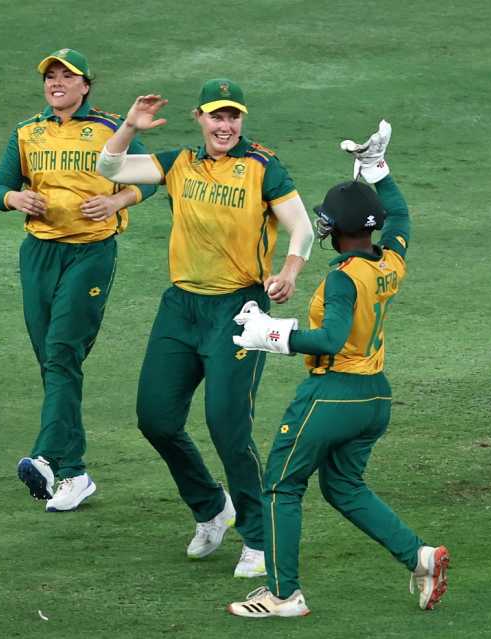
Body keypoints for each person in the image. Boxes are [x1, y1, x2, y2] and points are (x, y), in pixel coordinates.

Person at [226, 121, 449, 617]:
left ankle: (283, 595)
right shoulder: (389, 261)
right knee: (343, 486)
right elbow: (402, 217)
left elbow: (331, 339)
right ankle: (420, 557)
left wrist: (272, 335)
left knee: (282, 484)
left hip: (332, 395)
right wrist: (378, 171)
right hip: (375, 397)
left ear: (336, 230)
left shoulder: (344, 279)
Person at [97, 81, 314, 576]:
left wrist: (289, 270)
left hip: (239, 312)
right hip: (180, 308)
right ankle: (212, 507)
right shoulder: (177, 163)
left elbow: (300, 224)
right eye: (217, 117)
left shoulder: (262, 165)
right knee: (155, 418)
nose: (225, 126)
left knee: (227, 424)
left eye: (233, 117)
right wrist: (130, 125)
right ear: (199, 118)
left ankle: (258, 538)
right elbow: (107, 167)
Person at [0, 49, 157, 512]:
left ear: (86, 86)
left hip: (90, 252)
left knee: (63, 350)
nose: (57, 82)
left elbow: (152, 177)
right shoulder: (27, 131)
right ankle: (75, 472)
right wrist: (14, 198)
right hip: (39, 253)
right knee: (53, 360)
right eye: (51, 76)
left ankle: (45, 457)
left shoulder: (107, 128)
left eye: (68, 76)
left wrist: (117, 202)